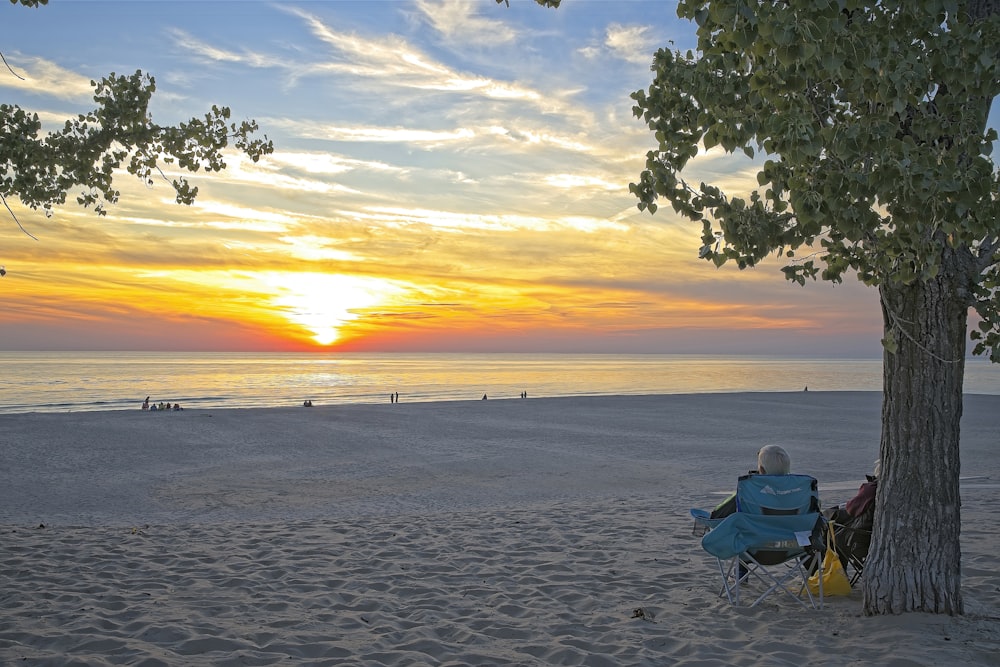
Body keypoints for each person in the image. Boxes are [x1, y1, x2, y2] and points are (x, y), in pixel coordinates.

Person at [710, 445, 792, 519]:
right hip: (791, 533)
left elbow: (716, 515)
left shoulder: (749, 491)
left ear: (762, 470)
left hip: (757, 533)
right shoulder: (799, 489)